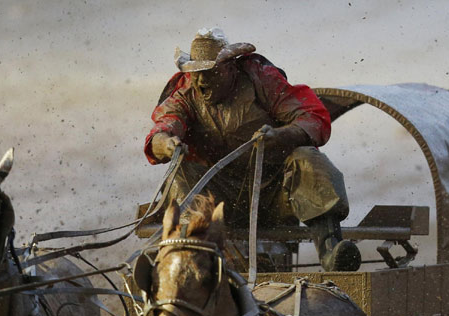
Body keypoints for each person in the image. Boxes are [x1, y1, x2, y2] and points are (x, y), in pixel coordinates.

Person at [143, 27, 361, 272]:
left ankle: (331, 248)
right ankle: (192, 256)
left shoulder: (261, 79)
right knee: (181, 170)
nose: (202, 81)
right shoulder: (184, 92)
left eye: (210, 72)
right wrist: (165, 142)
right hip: (216, 200)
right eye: (196, 73)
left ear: (229, 67)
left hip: (275, 194)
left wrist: (280, 135)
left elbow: (313, 117)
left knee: (307, 158)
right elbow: (164, 124)